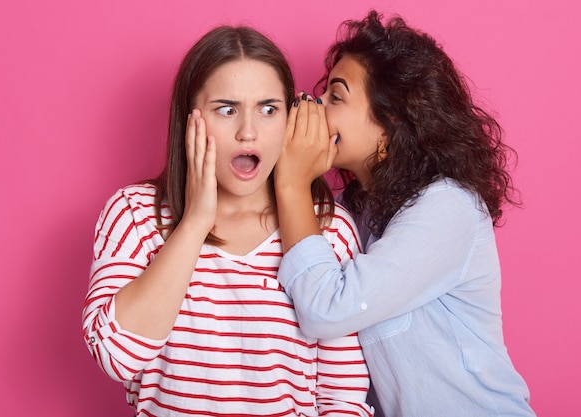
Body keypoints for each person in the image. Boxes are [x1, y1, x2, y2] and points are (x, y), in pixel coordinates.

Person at [82, 25, 373, 416]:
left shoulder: (327, 226)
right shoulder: (135, 214)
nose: (248, 131)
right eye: (227, 109)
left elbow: (343, 397)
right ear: (191, 117)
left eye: (268, 109)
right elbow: (117, 357)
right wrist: (195, 222)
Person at [275, 10, 536, 417]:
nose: (316, 108)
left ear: (392, 121)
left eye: (336, 97)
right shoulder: (350, 213)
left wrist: (291, 183)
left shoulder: (449, 207)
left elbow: (327, 310)